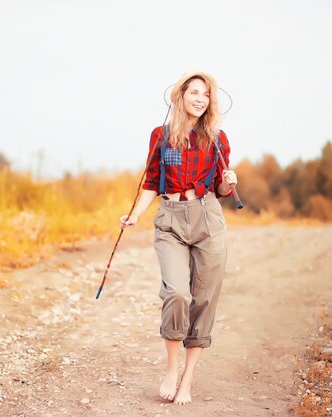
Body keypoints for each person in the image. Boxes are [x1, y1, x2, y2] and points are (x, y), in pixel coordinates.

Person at [119, 71, 238, 405]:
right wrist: (135, 215)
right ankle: (171, 369)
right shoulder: (161, 136)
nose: (200, 99)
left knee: (204, 299)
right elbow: (151, 181)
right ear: (181, 95)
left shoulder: (217, 137)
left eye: (206, 95)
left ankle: (187, 379)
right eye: (194, 92)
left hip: (208, 218)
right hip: (170, 217)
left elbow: (222, 189)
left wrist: (230, 180)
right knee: (176, 294)